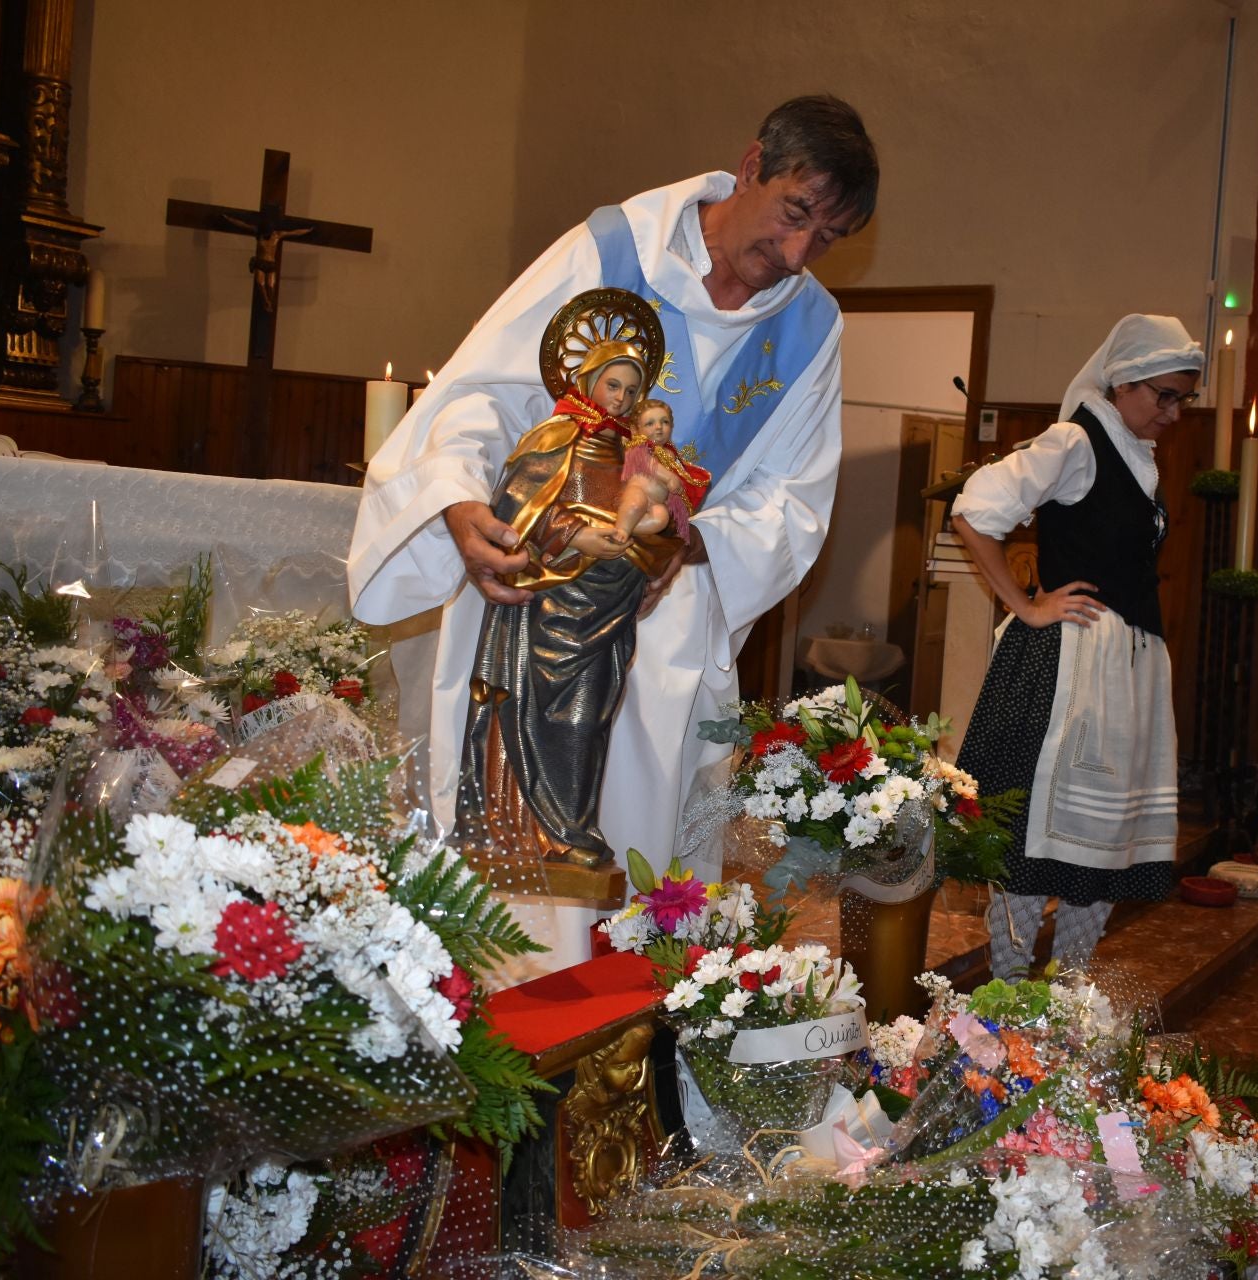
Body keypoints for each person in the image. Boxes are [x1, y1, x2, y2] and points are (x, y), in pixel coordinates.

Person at [349, 96, 878, 890]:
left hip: (669, 619)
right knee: (506, 859)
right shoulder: (614, 250)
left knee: (637, 863)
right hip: (532, 593)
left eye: (828, 238)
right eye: (795, 212)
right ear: (750, 167)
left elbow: (792, 499)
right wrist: (457, 499)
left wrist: (683, 541)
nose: (799, 251)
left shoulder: (811, 328)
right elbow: (485, 394)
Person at [949, 314, 1199, 979]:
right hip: (1071, 666)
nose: (1173, 413)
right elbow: (974, 511)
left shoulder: (1134, 454)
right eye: (1164, 396)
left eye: (1183, 399)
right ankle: (1006, 995)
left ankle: (1064, 999)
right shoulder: (1076, 441)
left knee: (1103, 843)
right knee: (1036, 845)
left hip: (1122, 671)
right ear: (1123, 382)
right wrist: (1026, 604)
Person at [458, 314, 677, 868]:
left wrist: (652, 540)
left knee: (591, 719)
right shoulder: (555, 438)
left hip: (610, 606)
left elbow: (667, 522)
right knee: (554, 716)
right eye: (612, 384)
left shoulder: (636, 453)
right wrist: (576, 534)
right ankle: (548, 832)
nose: (621, 398)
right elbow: (514, 510)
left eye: (631, 390)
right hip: (553, 606)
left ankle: (573, 826)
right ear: (589, 381)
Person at [616, 398, 711, 540]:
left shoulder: (671, 454)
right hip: (639, 492)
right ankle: (622, 529)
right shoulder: (639, 448)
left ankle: (628, 528)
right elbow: (648, 464)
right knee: (636, 504)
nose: (659, 427)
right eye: (650, 423)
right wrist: (669, 478)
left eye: (665, 422)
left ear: (672, 427)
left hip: (656, 502)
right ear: (635, 430)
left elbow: (679, 478)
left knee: (661, 518)